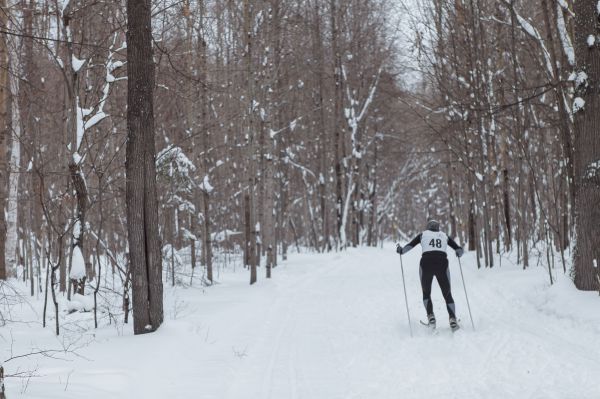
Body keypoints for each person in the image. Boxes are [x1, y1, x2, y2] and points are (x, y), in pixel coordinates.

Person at [396, 220, 464, 330]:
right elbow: (458, 249)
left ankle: (431, 317)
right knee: (447, 293)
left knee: (426, 292)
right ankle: (452, 319)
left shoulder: (423, 234)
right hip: (442, 264)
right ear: (438, 228)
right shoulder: (444, 235)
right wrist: (459, 252)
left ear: (428, 228)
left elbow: (409, 246)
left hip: (426, 264)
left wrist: (401, 250)